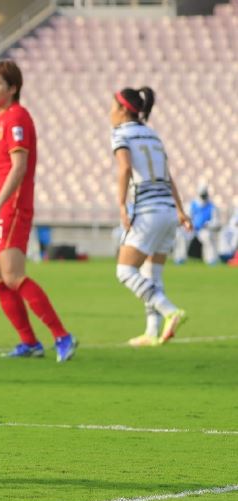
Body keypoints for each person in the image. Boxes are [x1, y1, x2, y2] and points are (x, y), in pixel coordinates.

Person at [0, 60, 76, 362]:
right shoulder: (0, 118)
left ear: (13, 88)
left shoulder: (17, 117)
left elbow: (19, 167)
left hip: (12, 205)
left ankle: (62, 335)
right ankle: (29, 342)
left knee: (13, 275)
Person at [110, 86, 191, 347]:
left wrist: (121, 205)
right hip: (168, 211)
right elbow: (168, 175)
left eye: (112, 107)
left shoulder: (121, 134)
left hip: (147, 211)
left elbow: (124, 168)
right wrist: (180, 210)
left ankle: (170, 311)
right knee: (152, 273)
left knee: (125, 271)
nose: (110, 113)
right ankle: (152, 332)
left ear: (123, 110)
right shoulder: (153, 135)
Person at [187, 185, 222, 265]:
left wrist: (208, 224)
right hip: (192, 229)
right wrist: (190, 224)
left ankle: (211, 259)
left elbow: (216, 221)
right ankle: (180, 258)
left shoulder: (211, 206)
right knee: (181, 236)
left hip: (204, 229)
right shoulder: (192, 205)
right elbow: (188, 217)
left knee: (208, 237)